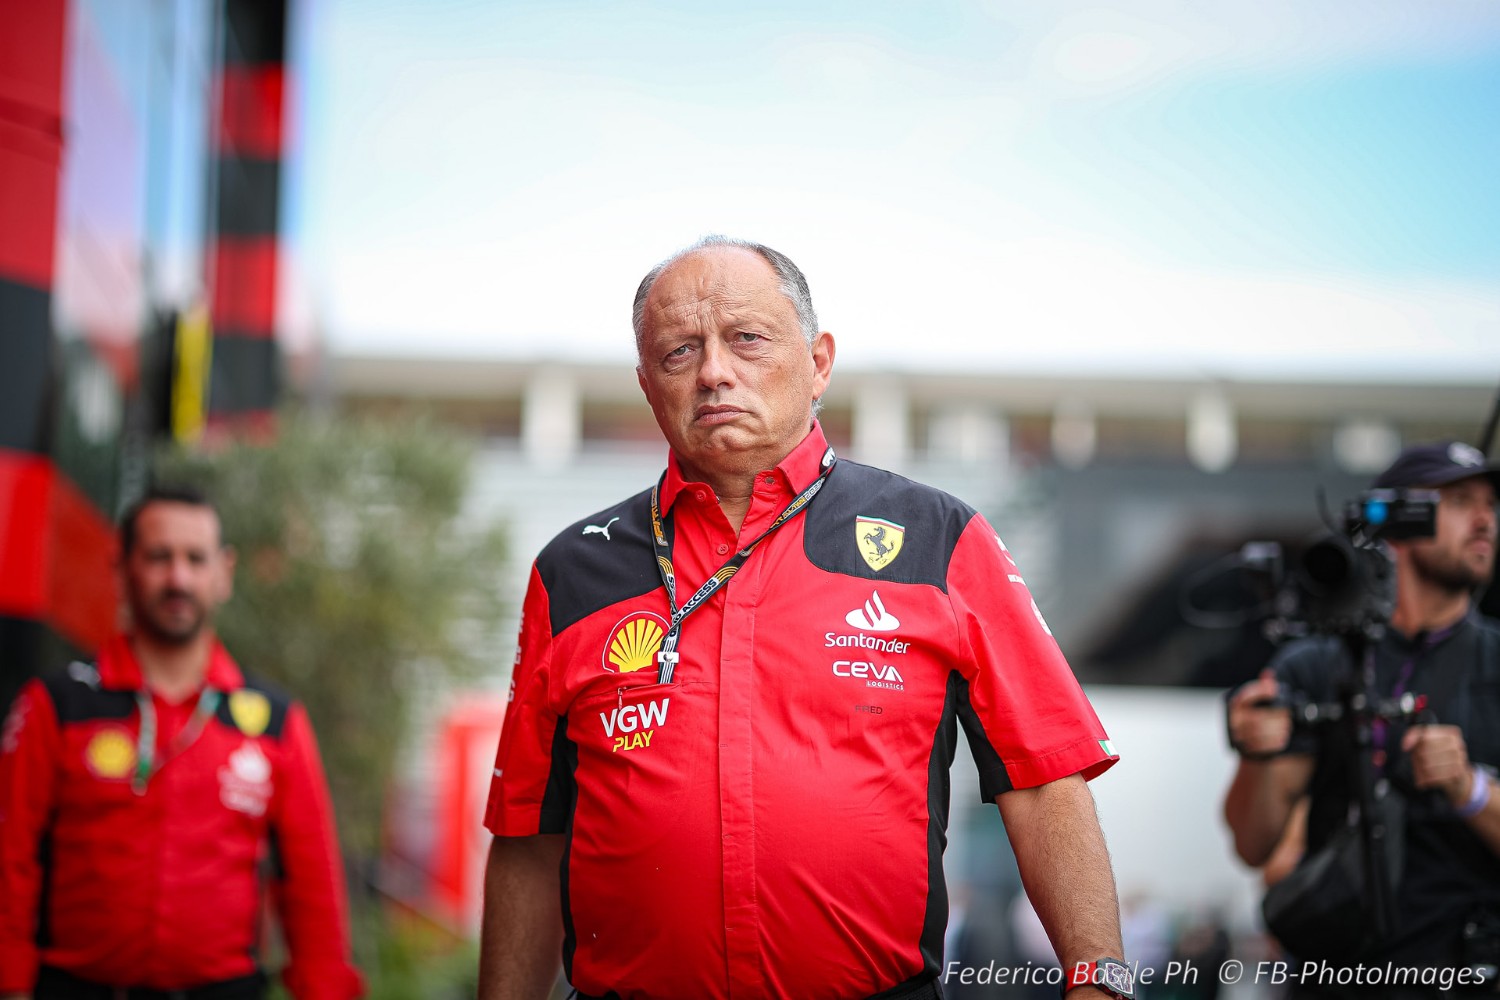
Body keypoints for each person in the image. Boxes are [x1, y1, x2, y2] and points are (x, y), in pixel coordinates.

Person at [479, 235, 1130, 1000]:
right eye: (680, 352)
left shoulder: (937, 538)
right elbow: (530, 831)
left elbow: (1046, 780)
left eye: (747, 339)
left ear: (819, 362)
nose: (715, 372)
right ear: (649, 386)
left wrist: (1100, 978)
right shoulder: (572, 574)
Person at [0, 486, 364, 1000]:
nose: (178, 578)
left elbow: (313, 891)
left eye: (196, 559)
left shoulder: (276, 721)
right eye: (158, 556)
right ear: (122, 568)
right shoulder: (55, 705)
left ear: (224, 573)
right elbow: (10, 863)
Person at [1223, 441, 1500, 996]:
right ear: (1395, 517)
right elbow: (1254, 845)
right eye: (1459, 500)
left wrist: (1470, 789)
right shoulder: (1316, 662)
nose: (1484, 520)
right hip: (1338, 978)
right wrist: (1258, 754)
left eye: (1492, 505)